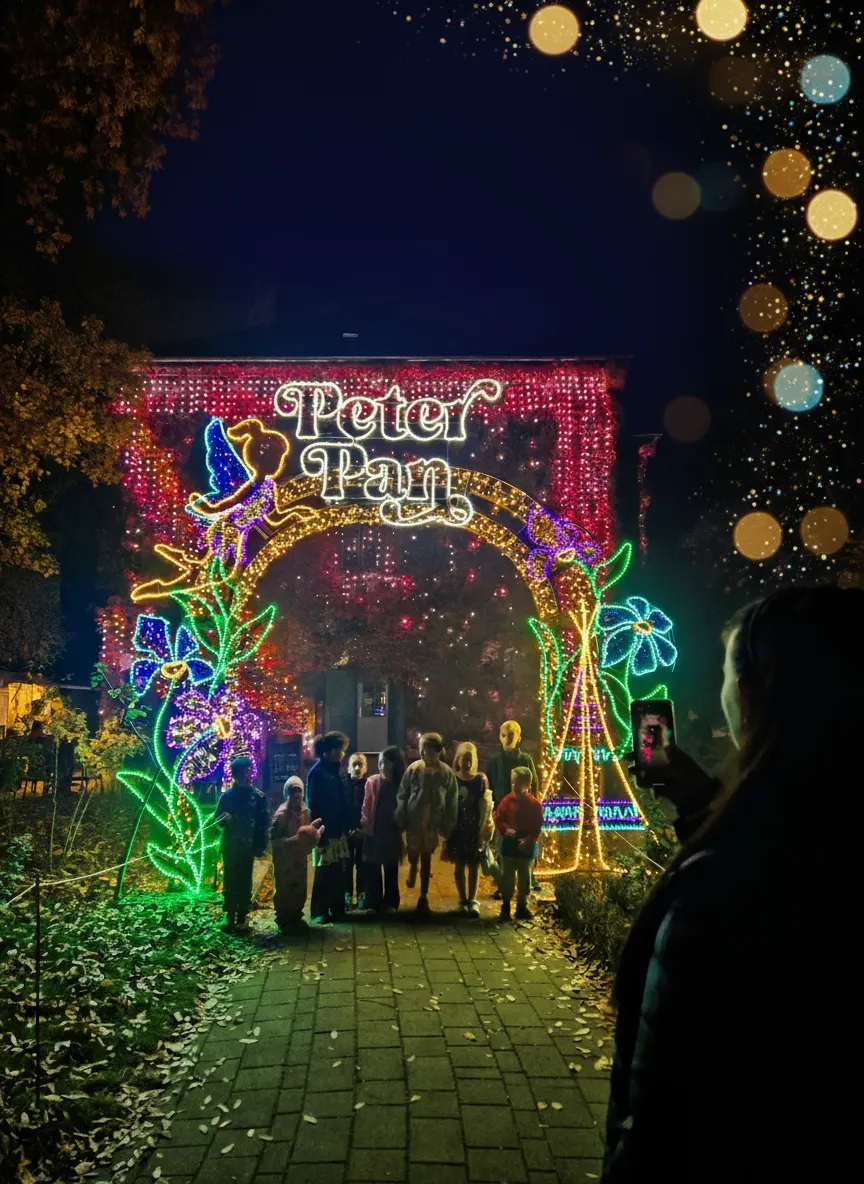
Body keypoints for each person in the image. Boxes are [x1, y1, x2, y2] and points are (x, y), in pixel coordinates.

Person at [603, 586, 863, 1184]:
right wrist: (704, 806)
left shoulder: (719, 892)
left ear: (748, 693)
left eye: (725, 674)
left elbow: (667, 1110)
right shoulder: (822, 832)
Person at [396, 732, 459, 917]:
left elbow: (452, 800)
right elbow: (403, 792)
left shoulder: (445, 773)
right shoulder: (414, 769)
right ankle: (413, 865)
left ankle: (423, 896)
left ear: (437, 751)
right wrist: (401, 814)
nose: (424, 752)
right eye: (422, 748)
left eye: (429, 749)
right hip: (414, 819)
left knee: (427, 856)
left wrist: (447, 824)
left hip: (433, 822)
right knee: (414, 850)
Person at [216, 756, 269, 934]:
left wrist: (261, 846)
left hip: (248, 845)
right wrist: (224, 819)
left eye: (248, 771)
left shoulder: (258, 797)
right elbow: (218, 818)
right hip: (231, 845)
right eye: (243, 772)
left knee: (245, 881)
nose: (247, 775)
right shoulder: (227, 797)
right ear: (236, 774)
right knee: (230, 880)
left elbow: (263, 824)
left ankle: (242, 917)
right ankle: (229, 915)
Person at [306, 731, 350, 923]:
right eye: (341, 750)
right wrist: (319, 832)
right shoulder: (317, 773)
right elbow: (314, 804)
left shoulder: (335, 770)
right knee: (324, 871)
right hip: (325, 830)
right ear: (331, 751)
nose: (343, 754)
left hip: (338, 829)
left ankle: (337, 907)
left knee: (338, 870)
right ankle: (319, 911)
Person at [445, 741, 494, 917]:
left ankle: (472, 900)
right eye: (463, 759)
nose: (466, 763)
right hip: (457, 828)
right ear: (457, 759)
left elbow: (486, 804)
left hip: (474, 828)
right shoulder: (453, 779)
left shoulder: (480, 780)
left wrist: (486, 825)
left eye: (470, 759)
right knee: (459, 864)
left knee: (474, 865)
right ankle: (462, 899)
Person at [493, 766, 543, 922]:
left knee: (524, 880)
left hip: (525, 848)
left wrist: (529, 840)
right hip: (509, 846)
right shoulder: (506, 801)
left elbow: (537, 826)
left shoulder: (534, 805)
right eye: (512, 782)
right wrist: (506, 830)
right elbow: (499, 819)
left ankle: (521, 906)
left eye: (518, 783)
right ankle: (506, 905)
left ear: (527, 784)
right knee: (507, 878)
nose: (514, 785)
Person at [361, 745, 406, 914]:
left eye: (384, 762)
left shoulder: (400, 783)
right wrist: (364, 824)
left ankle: (391, 902)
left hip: (392, 830)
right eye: (379, 762)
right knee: (372, 865)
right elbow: (366, 805)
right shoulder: (372, 781)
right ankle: (373, 901)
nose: (380, 765)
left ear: (394, 763)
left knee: (390, 866)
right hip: (374, 828)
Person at [270, 776, 313, 932]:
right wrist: (290, 841)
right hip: (285, 860)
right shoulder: (281, 815)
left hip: (299, 858)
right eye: (292, 792)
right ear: (286, 794)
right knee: (285, 888)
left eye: (299, 791)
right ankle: (284, 918)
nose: (296, 795)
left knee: (299, 887)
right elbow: (274, 840)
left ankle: (296, 916)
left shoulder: (306, 812)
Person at [342, 751, 369, 911]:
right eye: (354, 764)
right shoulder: (343, 783)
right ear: (349, 767)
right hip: (346, 832)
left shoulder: (368, 785)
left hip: (361, 832)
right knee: (346, 865)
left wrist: (362, 829)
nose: (357, 768)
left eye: (361, 764)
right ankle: (347, 894)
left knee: (361, 864)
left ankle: (360, 894)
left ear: (365, 768)